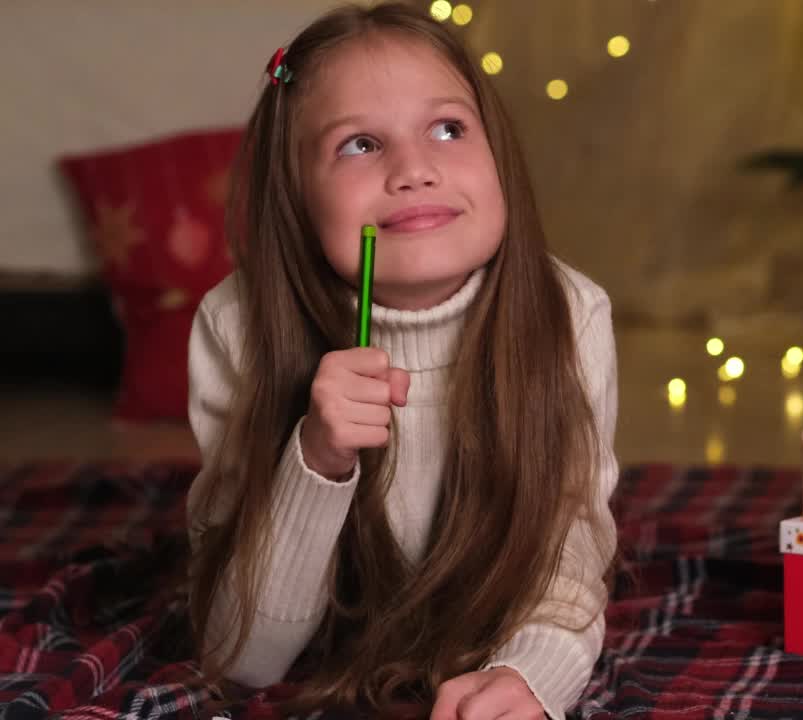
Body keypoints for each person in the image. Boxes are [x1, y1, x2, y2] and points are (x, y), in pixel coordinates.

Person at [184, 3, 619, 719]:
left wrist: (534, 674)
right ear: (294, 194)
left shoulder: (571, 317)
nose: (415, 170)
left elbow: (567, 563)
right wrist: (316, 459)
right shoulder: (237, 331)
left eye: (448, 129)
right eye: (359, 144)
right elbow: (242, 657)